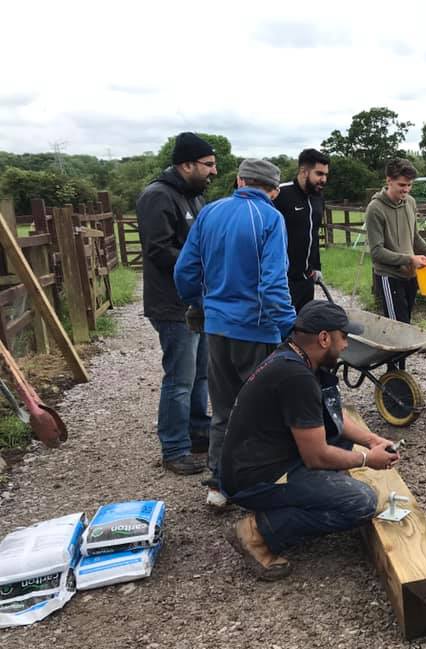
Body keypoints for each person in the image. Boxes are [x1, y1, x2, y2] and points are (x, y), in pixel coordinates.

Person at [219, 300, 399, 580]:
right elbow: (317, 457)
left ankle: (312, 494)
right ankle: (257, 532)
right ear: (324, 338)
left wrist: (371, 439)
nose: (346, 345)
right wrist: (368, 459)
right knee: (361, 501)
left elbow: (333, 416)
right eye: (343, 337)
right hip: (255, 479)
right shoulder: (296, 377)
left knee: (338, 441)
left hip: (258, 462)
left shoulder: (295, 358)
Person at [174, 158, 297, 509]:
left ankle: (217, 485)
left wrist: (199, 304)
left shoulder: (210, 213)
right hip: (256, 331)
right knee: (264, 409)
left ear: (241, 181)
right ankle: (261, 484)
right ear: (273, 190)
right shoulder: (271, 218)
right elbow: (272, 284)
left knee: (224, 408)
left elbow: (185, 271)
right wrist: (290, 326)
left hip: (217, 328)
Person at [136, 132, 217, 475]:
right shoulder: (158, 196)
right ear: (186, 164)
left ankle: (198, 431)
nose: (214, 171)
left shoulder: (193, 197)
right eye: (208, 165)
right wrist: (201, 265)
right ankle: (174, 448)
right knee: (180, 379)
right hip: (171, 304)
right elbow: (158, 249)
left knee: (201, 374)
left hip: (195, 301)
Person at [366, 158, 426, 327]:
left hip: (411, 274)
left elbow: (415, 238)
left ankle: (400, 354)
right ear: (389, 181)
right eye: (402, 185)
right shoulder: (375, 209)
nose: (406, 190)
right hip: (388, 276)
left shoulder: (411, 203)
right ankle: (396, 354)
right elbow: (376, 252)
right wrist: (409, 259)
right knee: (398, 327)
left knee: (406, 324)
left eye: (409, 185)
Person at [274, 148, 330, 312]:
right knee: (283, 332)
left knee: (304, 330)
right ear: (304, 171)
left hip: (307, 279)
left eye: (326, 174)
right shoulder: (280, 194)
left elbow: (314, 234)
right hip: (283, 281)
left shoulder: (318, 197)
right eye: (319, 174)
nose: (324, 179)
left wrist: (317, 266)